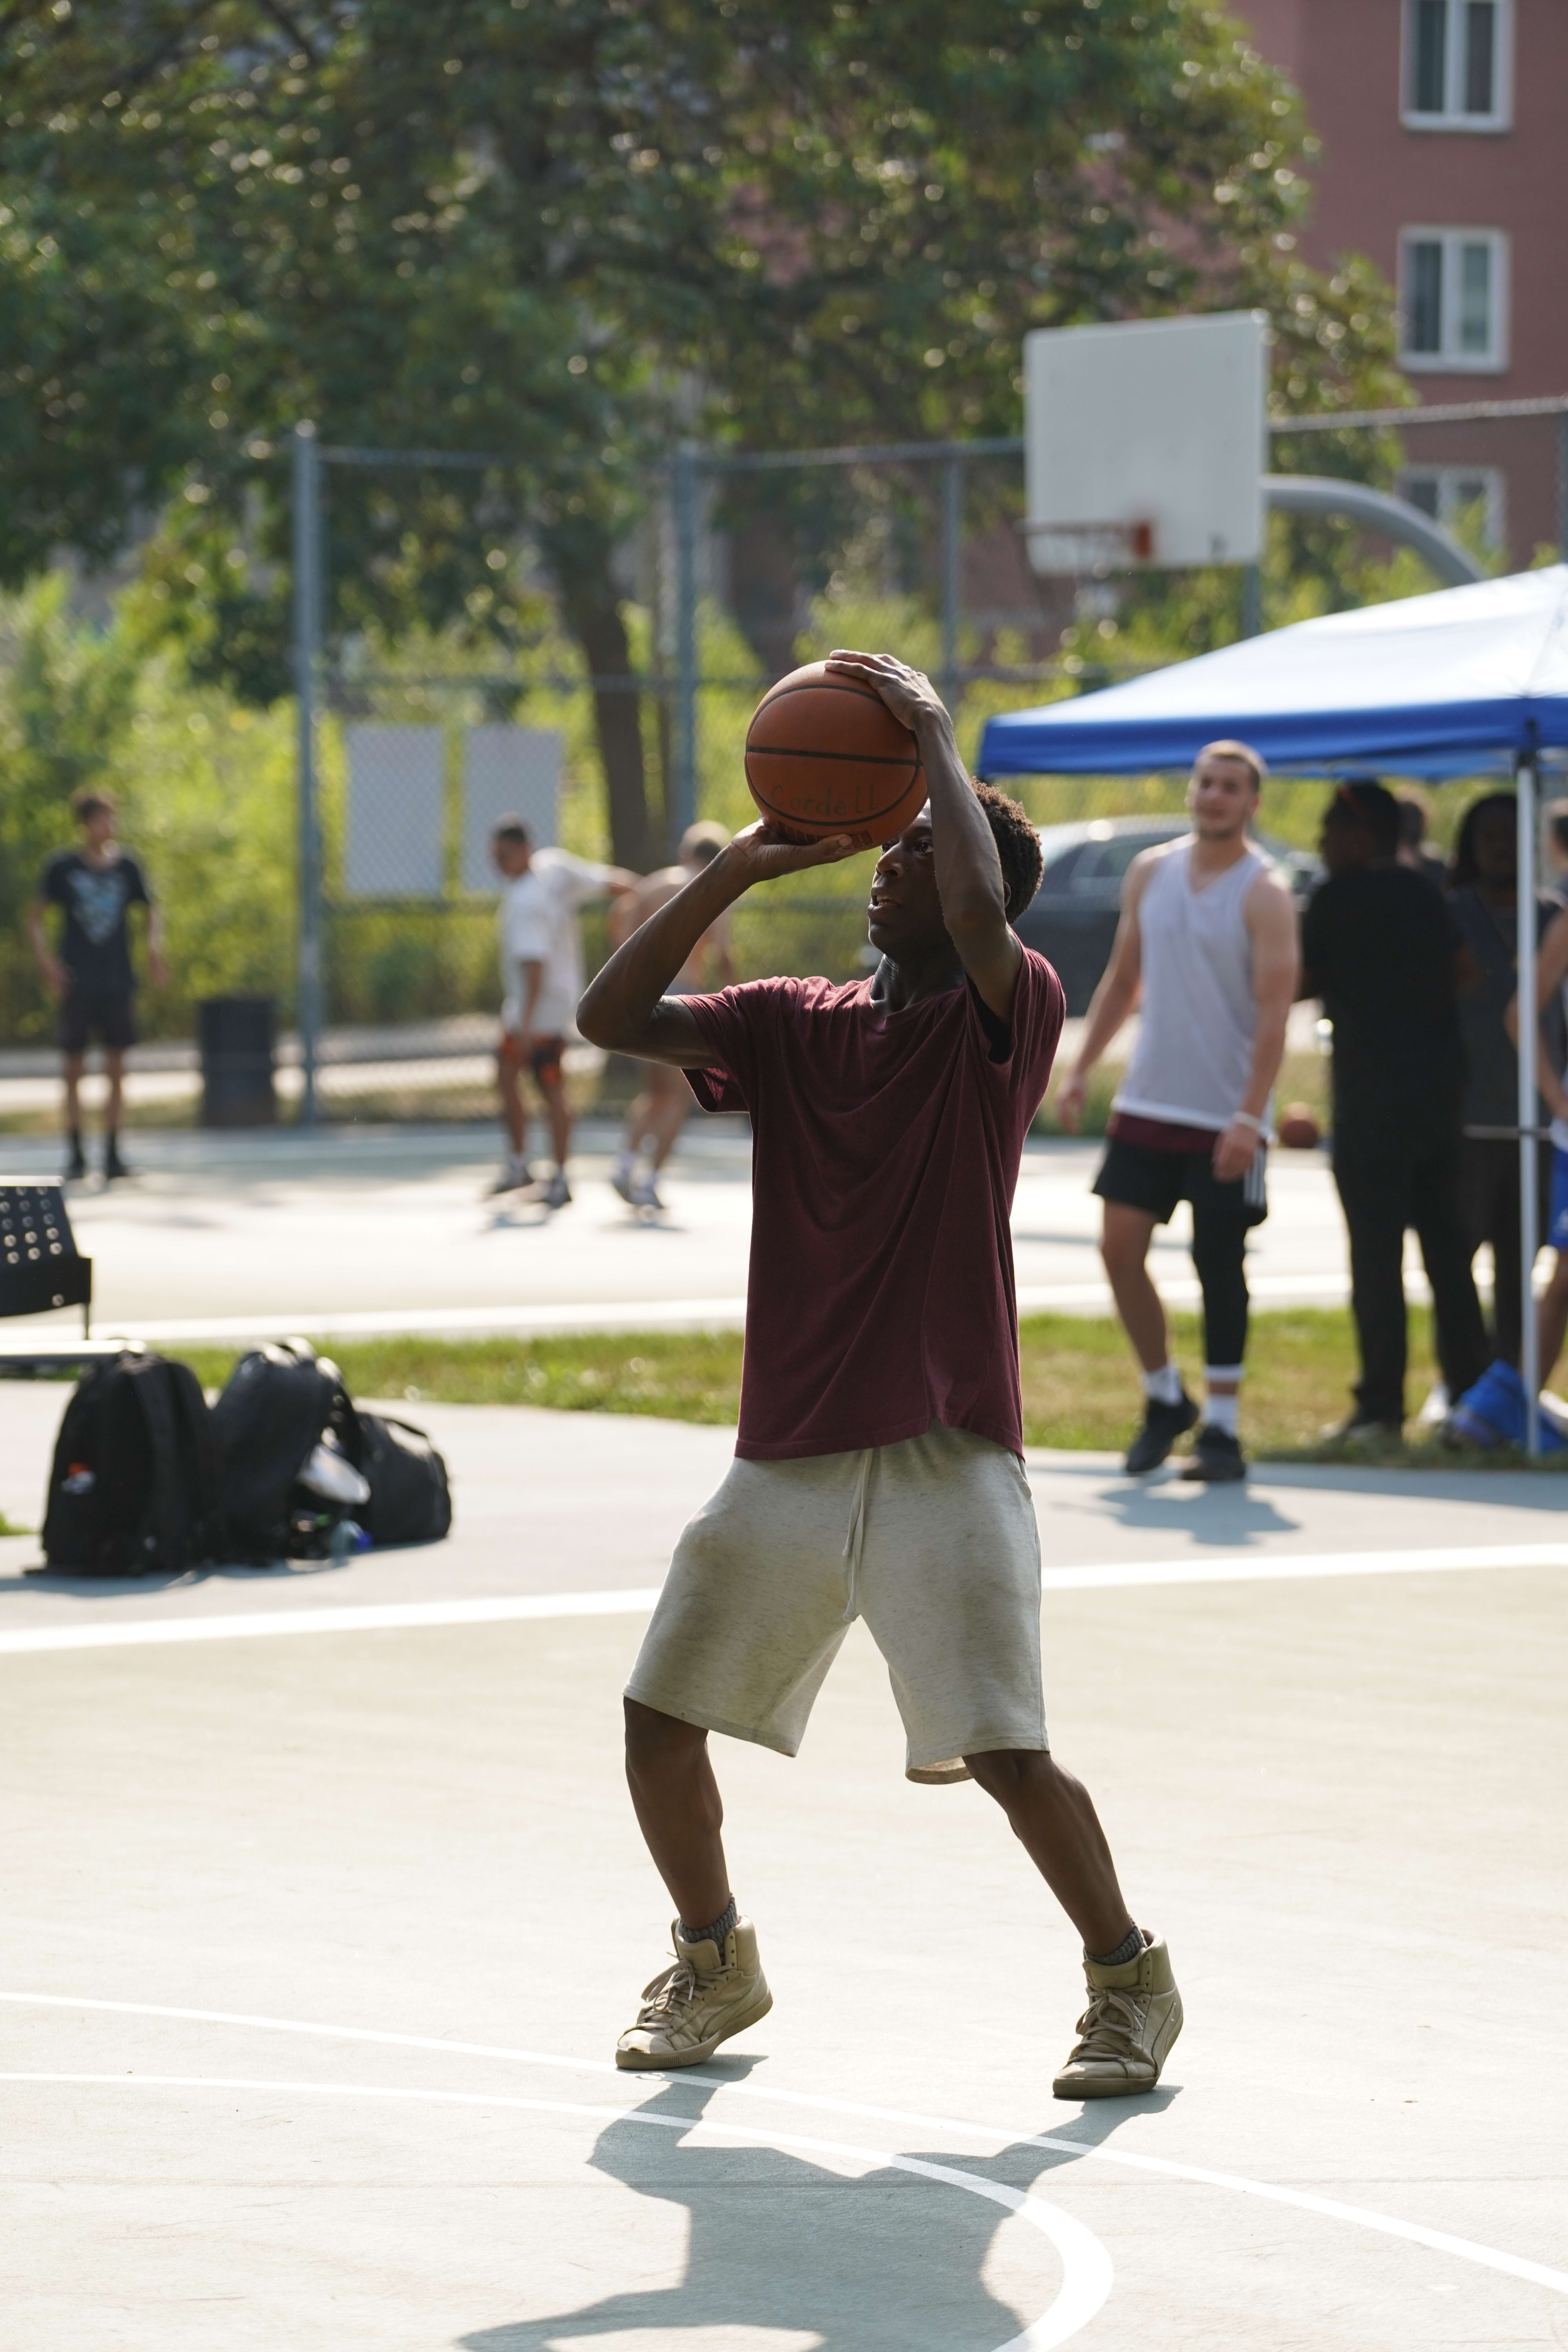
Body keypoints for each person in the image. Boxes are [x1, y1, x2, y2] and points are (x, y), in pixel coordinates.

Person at [578, 649, 1182, 2102]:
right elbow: (609, 1020)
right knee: (656, 1717)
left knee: (1002, 1750)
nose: (884, 872)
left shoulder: (1008, 1007)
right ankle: (715, 1958)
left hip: (942, 1439)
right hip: (788, 1437)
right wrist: (734, 866)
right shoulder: (790, 1022)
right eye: (886, 849)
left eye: (909, 852)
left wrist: (925, 733)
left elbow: (977, 906)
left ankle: (1128, 1982)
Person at [1055, 741, 1299, 1484]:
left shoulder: (1265, 891)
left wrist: (1249, 1118)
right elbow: (1125, 977)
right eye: (1205, 783)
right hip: (1148, 1101)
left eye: (1230, 787)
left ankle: (1221, 1430)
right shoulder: (1151, 871)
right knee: (1117, 1251)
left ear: (1252, 803)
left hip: (1226, 1116)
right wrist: (1083, 1068)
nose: (1214, 796)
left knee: (1219, 1266)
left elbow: (1274, 1013)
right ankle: (1165, 1398)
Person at [1300, 779, 1489, 1443]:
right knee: (1449, 1257)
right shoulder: (1422, 891)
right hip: (1438, 1098)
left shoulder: (1334, 899)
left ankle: (1381, 1407)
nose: (1321, 844)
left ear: (1361, 836)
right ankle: (1472, 1397)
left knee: (1376, 1262)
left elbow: (1299, 979)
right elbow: (1464, 971)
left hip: (1371, 1105)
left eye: (1328, 832)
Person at [1445, 793, 1557, 1371]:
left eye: (1509, 833)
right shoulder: (1449, 912)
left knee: (1522, 1260)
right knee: (1455, 1255)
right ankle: (1461, 1380)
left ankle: (1510, 1384)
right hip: (1465, 1116)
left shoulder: (1553, 918)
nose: (1497, 845)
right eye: (1486, 834)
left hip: (1535, 1119)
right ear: (1470, 843)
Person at [488, 818, 635, 1207]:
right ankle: (523, 1166)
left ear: (524, 851)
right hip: (541, 1006)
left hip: (537, 1012)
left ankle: (558, 1177)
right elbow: (609, 881)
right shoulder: (553, 868)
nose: (497, 863)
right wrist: (648, 893)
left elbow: (534, 966)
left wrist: (525, 1023)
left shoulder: (525, 901)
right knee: (508, 1076)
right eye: (495, 855)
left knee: (549, 1087)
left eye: (503, 855)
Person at [27, 788, 167, 1183]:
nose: (110, 825)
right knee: (73, 1069)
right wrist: (48, 965)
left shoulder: (128, 867)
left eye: (113, 817)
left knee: (117, 1068)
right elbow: (36, 920)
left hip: (117, 981)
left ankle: (112, 1155)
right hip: (78, 984)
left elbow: (152, 911)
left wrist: (154, 951)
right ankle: (75, 1155)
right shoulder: (63, 867)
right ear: (85, 823)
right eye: (102, 818)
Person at [609, 821, 736, 1212]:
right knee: (680, 1096)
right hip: (682, 995)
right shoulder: (711, 890)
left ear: (685, 853)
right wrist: (737, 1002)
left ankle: (624, 1164)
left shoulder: (651, 887)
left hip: (641, 994)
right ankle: (650, 1182)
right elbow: (724, 956)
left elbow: (619, 924)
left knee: (655, 1093)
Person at [1393, 784, 1447, 891]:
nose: (1411, 823)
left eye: (1414, 817)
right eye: (1407, 817)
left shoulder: (1436, 864)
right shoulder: (1387, 864)